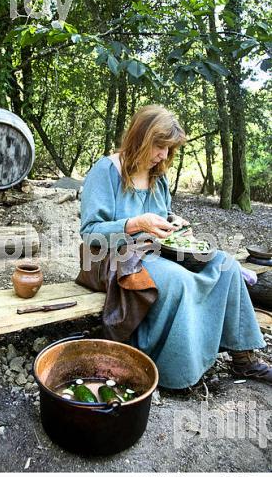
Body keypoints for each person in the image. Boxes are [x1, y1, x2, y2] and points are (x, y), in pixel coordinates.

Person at [79, 104, 272, 389]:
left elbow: (161, 215)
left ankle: (243, 358)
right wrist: (135, 224)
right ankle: (177, 373)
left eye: (169, 149)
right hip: (114, 258)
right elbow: (90, 235)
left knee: (227, 266)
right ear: (140, 137)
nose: (164, 156)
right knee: (181, 280)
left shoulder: (159, 175)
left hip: (155, 250)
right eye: (160, 146)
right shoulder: (106, 170)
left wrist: (173, 221)